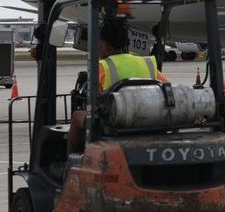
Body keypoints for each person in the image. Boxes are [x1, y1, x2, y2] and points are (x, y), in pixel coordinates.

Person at [68, 19, 168, 153]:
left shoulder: (102, 66)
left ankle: (71, 161)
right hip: (148, 119)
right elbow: (166, 86)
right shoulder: (146, 63)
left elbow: (94, 99)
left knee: (76, 117)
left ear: (107, 45)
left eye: (100, 44)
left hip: (116, 121)